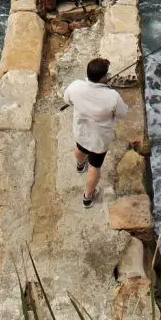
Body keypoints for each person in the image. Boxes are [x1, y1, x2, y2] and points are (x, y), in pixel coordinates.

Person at [63, 57, 129, 208]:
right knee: (95, 167)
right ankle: (87, 197)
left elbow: (67, 100)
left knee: (80, 148)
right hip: (99, 140)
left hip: (81, 131)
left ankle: (80, 165)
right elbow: (122, 114)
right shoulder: (113, 96)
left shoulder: (75, 86)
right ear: (104, 77)